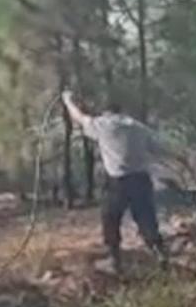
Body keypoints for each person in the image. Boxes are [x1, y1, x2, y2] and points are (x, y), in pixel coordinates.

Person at [61, 90, 167, 272]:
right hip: (142, 180)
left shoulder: (103, 124)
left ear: (106, 112)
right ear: (122, 110)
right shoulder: (137, 126)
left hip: (118, 182)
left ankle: (115, 261)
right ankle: (160, 255)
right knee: (146, 219)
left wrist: (68, 101)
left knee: (110, 218)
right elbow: (159, 149)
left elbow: (79, 118)